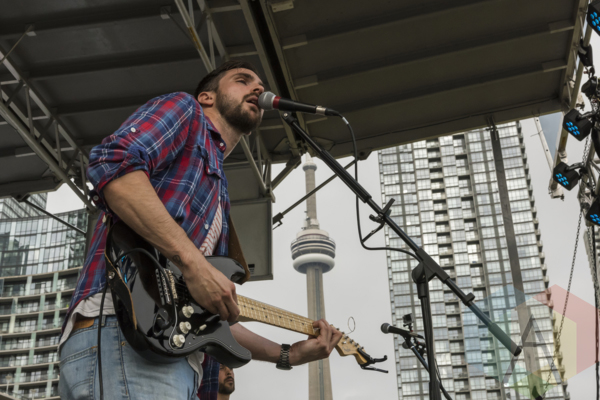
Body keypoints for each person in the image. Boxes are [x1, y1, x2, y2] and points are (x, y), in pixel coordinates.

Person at [58, 60, 343, 400]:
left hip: (173, 361)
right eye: (243, 80)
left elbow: (207, 318)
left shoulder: (219, 191)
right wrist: (195, 265)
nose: (258, 88)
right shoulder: (186, 110)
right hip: (124, 332)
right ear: (208, 97)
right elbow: (113, 163)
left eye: (260, 85)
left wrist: (288, 354)